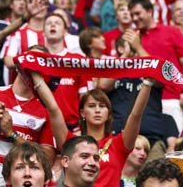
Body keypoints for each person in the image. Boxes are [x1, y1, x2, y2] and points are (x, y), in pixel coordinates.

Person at [30, 29, 155, 187]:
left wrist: (148, 83)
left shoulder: (119, 144)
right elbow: (53, 109)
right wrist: (36, 76)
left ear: (109, 113)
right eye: (91, 105)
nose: (97, 110)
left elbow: (136, 115)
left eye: (102, 106)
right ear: (82, 112)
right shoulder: (70, 142)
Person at [128, 0, 183, 133]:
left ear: (149, 11)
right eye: (132, 15)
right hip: (142, 102)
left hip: (171, 97)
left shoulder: (171, 32)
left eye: (138, 13)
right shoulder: (133, 37)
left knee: (173, 146)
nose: (134, 18)